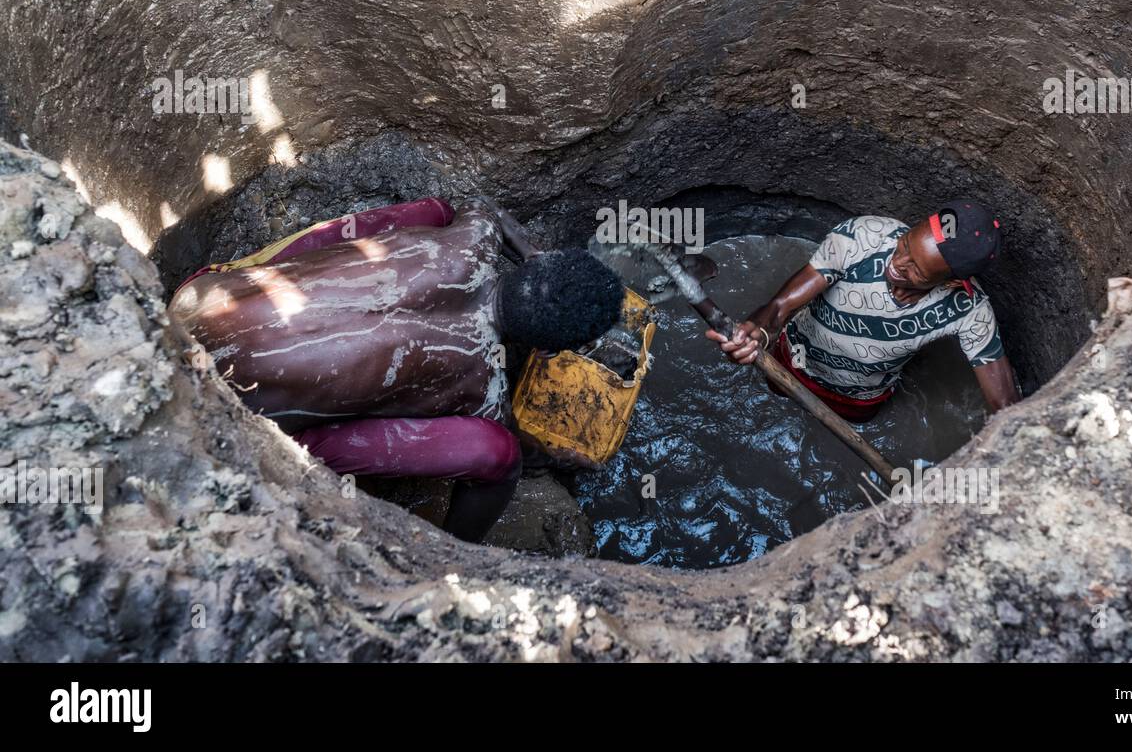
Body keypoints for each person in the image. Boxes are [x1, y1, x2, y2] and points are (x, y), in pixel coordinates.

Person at [168, 196, 623, 541]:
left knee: (434, 210)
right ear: (544, 353)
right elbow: (500, 437)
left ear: (538, 260)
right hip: (221, 419)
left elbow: (484, 206)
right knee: (502, 456)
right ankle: (456, 553)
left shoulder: (475, 233)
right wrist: (549, 456)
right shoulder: (483, 388)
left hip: (191, 302)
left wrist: (532, 252)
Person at [708, 200, 1020, 422]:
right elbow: (779, 308)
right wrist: (757, 333)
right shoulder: (862, 237)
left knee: (844, 437)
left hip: (859, 398)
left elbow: (1006, 407)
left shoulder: (968, 309)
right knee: (776, 400)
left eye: (916, 271)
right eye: (905, 246)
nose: (897, 265)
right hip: (792, 362)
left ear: (951, 281)